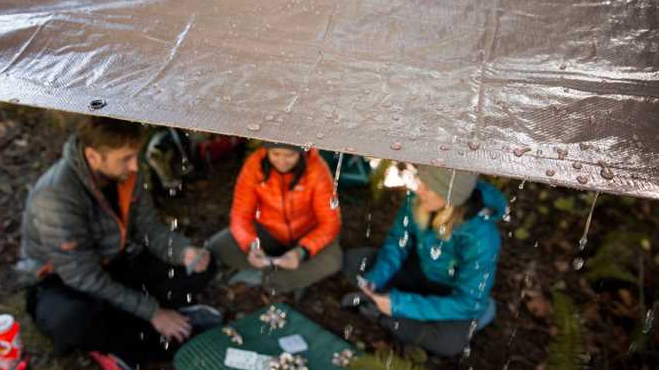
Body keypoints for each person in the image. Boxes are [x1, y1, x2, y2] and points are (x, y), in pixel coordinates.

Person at [16, 117, 218, 370]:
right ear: (92, 156)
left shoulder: (127, 174)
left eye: (136, 156)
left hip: (113, 263)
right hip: (61, 283)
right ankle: (129, 340)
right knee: (73, 320)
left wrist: (183, 252)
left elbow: (148, 228)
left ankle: (151, 322)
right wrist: (153, 312)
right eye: (125, 158)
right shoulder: (55, 197)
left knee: (203, 264)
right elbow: (83, 278)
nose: (135, 166)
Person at [342, 165, 506, 357]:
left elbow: (468, 302)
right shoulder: (417, 199)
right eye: (421, 182)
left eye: (428, 187)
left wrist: (399, 304)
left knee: (449, 343)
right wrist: (376, 278)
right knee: (355, 261)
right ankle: (387, 305)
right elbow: (398, 243)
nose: (419, 189)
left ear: (450, 197)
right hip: (419, 270)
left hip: (450, 292)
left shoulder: (482, 237)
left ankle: (382, 314)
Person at [208, 141, 342, 297]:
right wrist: (251, 246)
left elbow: (331, 222)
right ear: (267, 150)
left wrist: (302, 251)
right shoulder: (254, 165)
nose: (282, 161)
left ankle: (270, 279)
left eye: (290, 155)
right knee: (217, 246)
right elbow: (240, 215)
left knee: (333, 261)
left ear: (301, 153)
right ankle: (285, 272)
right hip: (269, 231)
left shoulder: (317, 169)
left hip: (308, 234)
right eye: (275, 154)